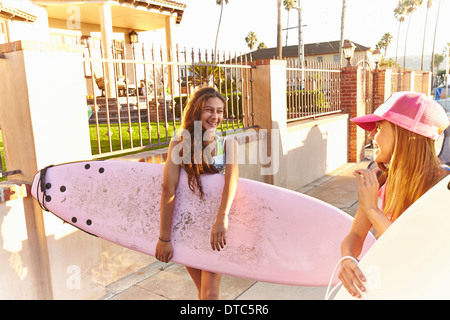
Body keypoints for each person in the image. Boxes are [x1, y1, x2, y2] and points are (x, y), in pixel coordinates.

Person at [338, 91, 449, 298]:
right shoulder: (380, 180)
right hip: (390, 282)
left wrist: (371, 208)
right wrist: (348, 259)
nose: (371, 136)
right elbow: (355, 235)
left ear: (407, 135)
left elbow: (413, 253)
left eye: (379, 128)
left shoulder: (441, 188)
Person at [154, 86, 239, 300]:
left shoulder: (228, 145)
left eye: (220, 111)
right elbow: (168, 190)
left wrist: (222, 218)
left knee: (210, 294)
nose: (215, 116)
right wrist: (164, 238)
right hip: (188, 227)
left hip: (215, 230)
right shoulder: (180, 144)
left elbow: (232, 181)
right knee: (203, 292)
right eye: (209, 110)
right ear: (196, 112)